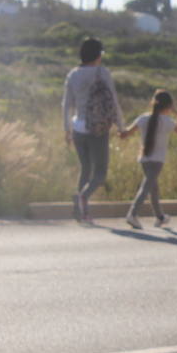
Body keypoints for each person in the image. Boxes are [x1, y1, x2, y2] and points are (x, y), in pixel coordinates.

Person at [62, 37, 123, 223]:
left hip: (78, 127)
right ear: (98, 55)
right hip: (97, 128)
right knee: (100, 172)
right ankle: (83, 197)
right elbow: (113, 101)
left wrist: (66, 129)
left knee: (85, 169)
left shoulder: (73, 74)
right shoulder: (103, 73)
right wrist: (121, 126)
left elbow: (66, 104)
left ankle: (80, 213)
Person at [119, 89, 177, 229]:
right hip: (157, 160)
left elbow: (126, 134)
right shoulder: (168, 121)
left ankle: (160, 217)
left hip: (144, 159)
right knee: (146, 187)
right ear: (169, 106)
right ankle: (132, 214)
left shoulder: (143, 118)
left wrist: (120, 129)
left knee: (153, 188)